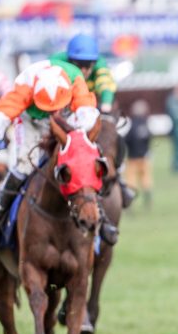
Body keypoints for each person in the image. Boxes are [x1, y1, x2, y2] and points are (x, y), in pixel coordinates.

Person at [0, 58, 117, 255]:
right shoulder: (25, 85)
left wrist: (79, 139)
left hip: (68, 118)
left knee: (82, 162)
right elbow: (2, 111)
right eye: (49, 107)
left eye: (56, 106)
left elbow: (87, 111)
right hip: (31, 121)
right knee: (24, 165)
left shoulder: (75, 79)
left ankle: (100, 217)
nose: (53, 111)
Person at [50, 34, 135, 207]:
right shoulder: (55, 63)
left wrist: (106, 104)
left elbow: (106, 85)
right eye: (79, 65)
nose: (84, 70)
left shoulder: (100, 64)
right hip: (60, 110)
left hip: (90, 111)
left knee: (115, 137)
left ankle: (118, 177)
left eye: (88, 65)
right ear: (69, 60)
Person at [124, 100, 153, 210]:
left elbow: (127, 139)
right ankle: (148, 200)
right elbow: (149, 138)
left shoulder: (132, 125)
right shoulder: (145, 124)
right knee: (146, 179)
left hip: (132, 158)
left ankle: (130, 203)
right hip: (144, 157)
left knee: (131, 182)